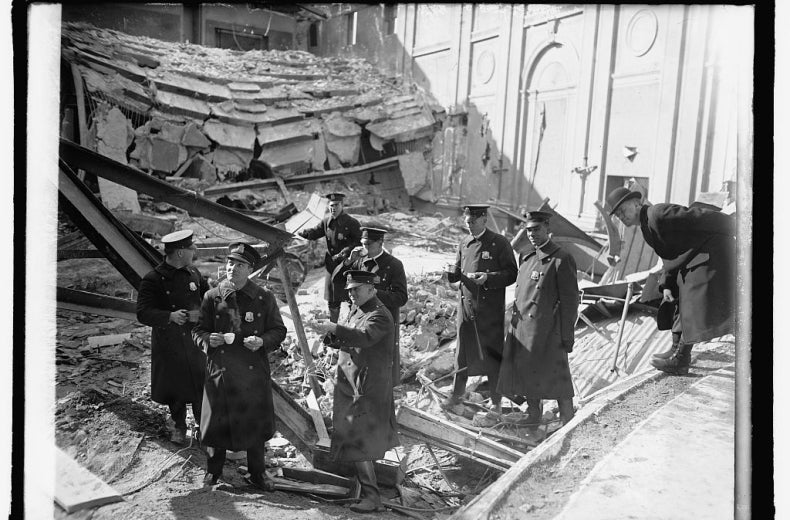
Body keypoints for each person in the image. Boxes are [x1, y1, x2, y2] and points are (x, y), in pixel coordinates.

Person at [606, 187, 736, 375]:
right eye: (617, 215)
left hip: (711, 254)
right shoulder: (647, 225)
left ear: (636, 204)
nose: (621, 217)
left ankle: (681, 359)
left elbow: (699, 216)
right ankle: (676, 349)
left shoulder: (658, 213)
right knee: (675, 297)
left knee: (691, 297)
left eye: (622, 210)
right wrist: (667, 284)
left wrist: (734, 225)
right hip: (695, 258)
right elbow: (670, 256)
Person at [192, 242, 287, 489]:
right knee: (216, 424)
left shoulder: (263, 297)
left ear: (250, 269)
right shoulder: (212, 296)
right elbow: (198, 330)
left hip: (252, 371)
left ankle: (258, 473)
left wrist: (262, 341)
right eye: (230, 263)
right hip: (221, 371)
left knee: (255, 424)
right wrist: (207, 339)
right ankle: (213, 472)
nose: (233, 268)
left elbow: (278, 330)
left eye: (240, 264)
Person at [312, 270, 399, 513]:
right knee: (355, 438)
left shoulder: (380, 315)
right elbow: (350, 339)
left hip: (367, 389)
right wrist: (330, 336)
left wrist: (335, 328)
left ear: (371, 289)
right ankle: (364, 490)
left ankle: (373, 498)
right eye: (349, 290)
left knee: (361, 441)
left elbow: (364, 337)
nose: (351, 294)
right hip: (353, 385)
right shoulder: (358, 309)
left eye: (356, 290)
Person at [496, 211, 579, 425]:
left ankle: (567, 420)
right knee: (526, 373)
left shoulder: (561, 259)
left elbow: (570, 303)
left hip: (549, 331)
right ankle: (534, 416)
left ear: (548, 229)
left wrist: (567, 336)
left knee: (558, 377)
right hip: (523, 328)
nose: (532, 234)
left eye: (537, 229)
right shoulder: (526, 256)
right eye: (529, 230)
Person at [442, 204, 518, 414]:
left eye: (473, 222)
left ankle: (496, 403)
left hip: (489, 310)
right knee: (462, 354)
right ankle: (456, 396)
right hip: (466, 308)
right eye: (467, 222)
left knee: (492, 356)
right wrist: (451, 276)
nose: (470, 226)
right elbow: (458, 272)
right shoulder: (464, 242)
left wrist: (488, 278)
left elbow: (512, 273)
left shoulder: (499, 243)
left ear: (484, 219)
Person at [136, 229, 208, 445]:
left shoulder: (193, 273)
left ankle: (203, 428)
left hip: (194, 341)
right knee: (175, 389)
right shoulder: (154, 279)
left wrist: (202, 313)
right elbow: (143, 313)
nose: (194, 250)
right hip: (170, 343)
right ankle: (178, 427)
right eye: (190, 248)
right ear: (178, 253)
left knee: (199, 386)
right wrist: (169, 316)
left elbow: (209, 299)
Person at [336, 227, 408, 383]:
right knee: (359, 355)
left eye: (368, 244)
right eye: (362, 244)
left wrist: (373, 293)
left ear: (380, 242)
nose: (364, 248)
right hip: (360, 318)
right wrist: (348, 261)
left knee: (380, 363)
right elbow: (339, 282)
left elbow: (401, 297)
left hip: (382, 320)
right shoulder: (360, 261)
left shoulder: (394, 265)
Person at [298, 192, 362, 323]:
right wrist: (303, 233)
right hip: (331, 266)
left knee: (351, 297)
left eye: (336, 205)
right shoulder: (327, 221)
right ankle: (333, 329)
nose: (333, 208)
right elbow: (315, 232)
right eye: (331, 205)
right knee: (332, 299)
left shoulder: (352, 222)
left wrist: (346, 251)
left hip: (346, 266)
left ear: (342, 205)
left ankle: (352, 326)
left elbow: (358, 241)